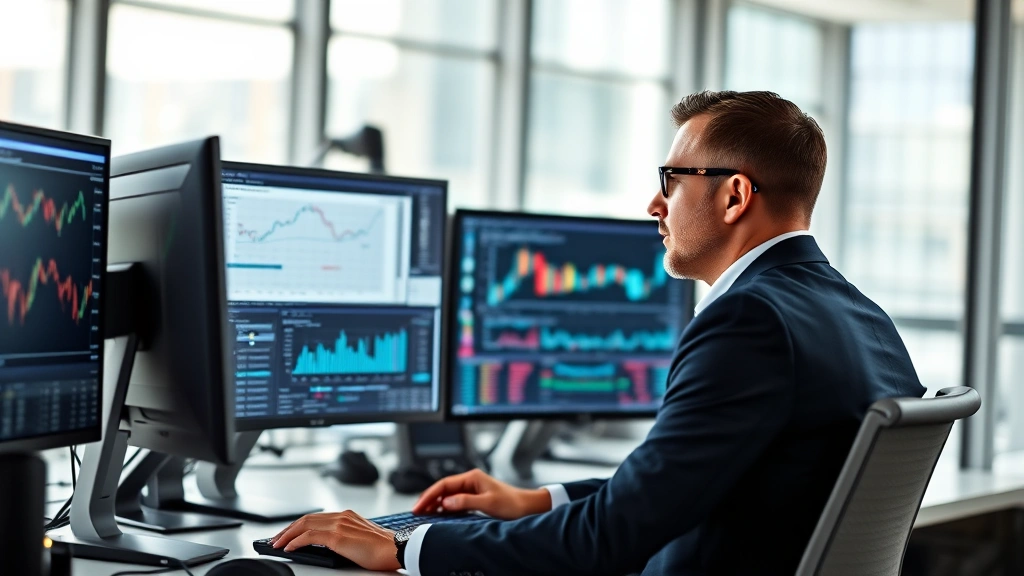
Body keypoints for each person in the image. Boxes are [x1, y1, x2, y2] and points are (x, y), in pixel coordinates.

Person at [270, 90, 926, 576]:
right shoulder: (864, 317)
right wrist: (538, 499)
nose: (654, 205)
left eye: (672, 180)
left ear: (733, 196)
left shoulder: (747, 322)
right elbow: (678, 489)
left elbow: (613, 538)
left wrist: (407, 546)